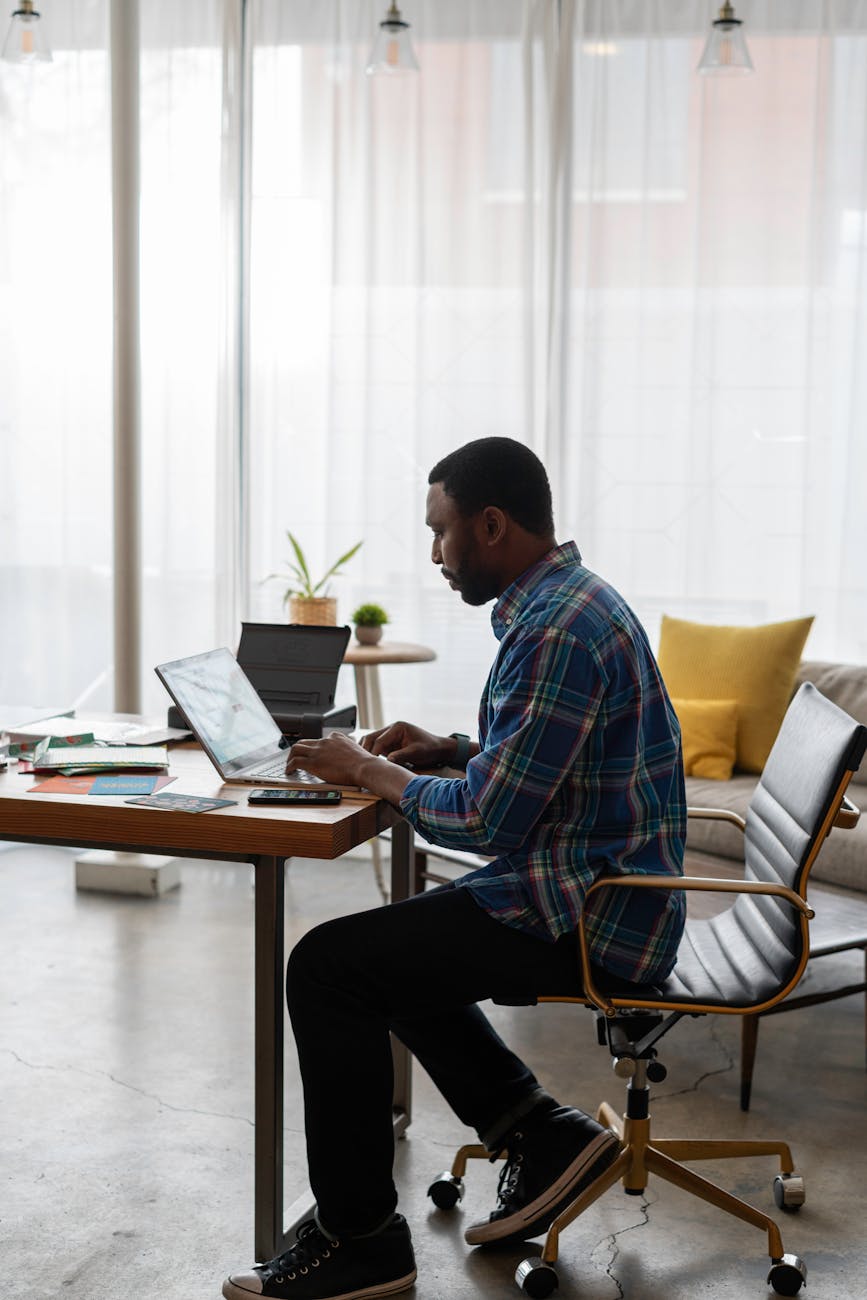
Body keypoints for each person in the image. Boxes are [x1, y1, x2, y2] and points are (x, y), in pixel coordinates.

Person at [222, 437, 686, 1300]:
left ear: (492, 524)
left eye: (440, 533)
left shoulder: (552, 630)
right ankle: (536, 1132)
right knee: (390, 954)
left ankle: (360, 1241)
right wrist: (447, 751)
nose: (435, 555)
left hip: (594, 914)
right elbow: (544, 771)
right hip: (598, 887)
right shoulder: (571, 603)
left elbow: (488, 820)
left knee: (330, 968)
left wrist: (370, 771)